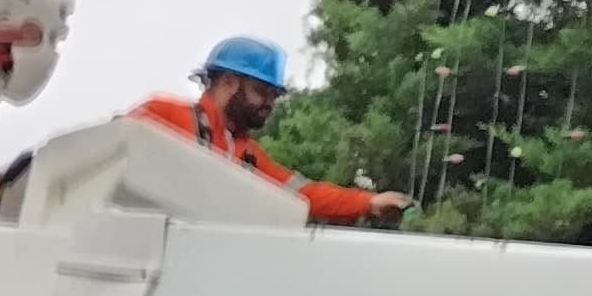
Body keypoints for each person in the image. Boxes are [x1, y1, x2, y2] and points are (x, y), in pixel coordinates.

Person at [131, 41, 407, 224]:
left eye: (274, 96)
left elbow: (306, 195)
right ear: (228, 82)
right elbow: (107, 155)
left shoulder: (249, 158)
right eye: (261, 92)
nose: (270, 104)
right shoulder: (164, 115)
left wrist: (369, 202)